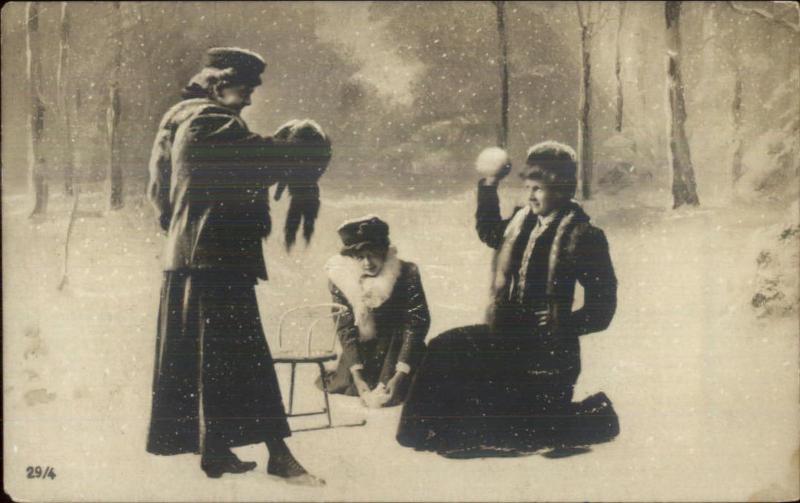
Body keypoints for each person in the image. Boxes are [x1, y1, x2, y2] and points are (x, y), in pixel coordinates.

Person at [145, 47, 330, 485]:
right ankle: (278, 456)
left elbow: (160, 195)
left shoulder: (178, 121)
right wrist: (307, 143)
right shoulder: (209, 124)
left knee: (209, 358)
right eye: (244, 90)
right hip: (213, 262)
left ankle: (215, 451)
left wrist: (183, 231)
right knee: (244, 358)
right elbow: (262, 158)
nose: (249, 100)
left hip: (191, 260)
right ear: (217, 83)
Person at [397, 141, 619, 457]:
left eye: (539, 188)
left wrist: (564, 322)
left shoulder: (583, 236)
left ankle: (591, 419)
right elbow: (489, 232)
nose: (530, 196)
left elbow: (604, 306)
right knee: (445, 347)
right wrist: (489, 185)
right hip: (504, 339)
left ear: (562, 189)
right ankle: (419, 431)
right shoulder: (520, 223)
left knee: (498, 429)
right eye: (528, 186)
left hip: (547, 352)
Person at [317, 216, 431, 408]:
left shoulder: (407, 272)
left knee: (403, 390)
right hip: (365, 353)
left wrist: (400, 373)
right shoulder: (341, 279)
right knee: (351, 386)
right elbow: (345, 329)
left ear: (384, 251)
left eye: (373, 254)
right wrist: (357, 376)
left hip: (400, 348)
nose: (367, 263)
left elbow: (416, 324)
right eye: (360, 257)